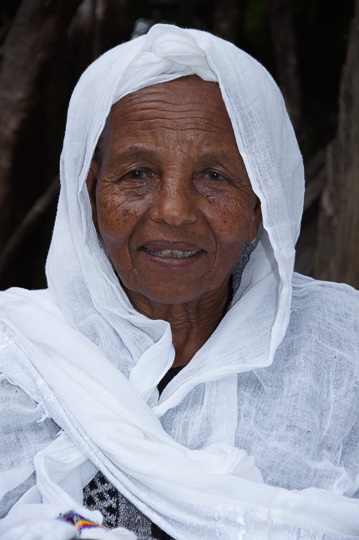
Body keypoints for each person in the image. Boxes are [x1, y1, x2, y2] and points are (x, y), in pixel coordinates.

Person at [0, 23, 359, 540]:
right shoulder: (16, 358)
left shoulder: (342, 352)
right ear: (90, 193)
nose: (173, 212)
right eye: (137, 173)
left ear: (261, 203)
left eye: (214, 176)